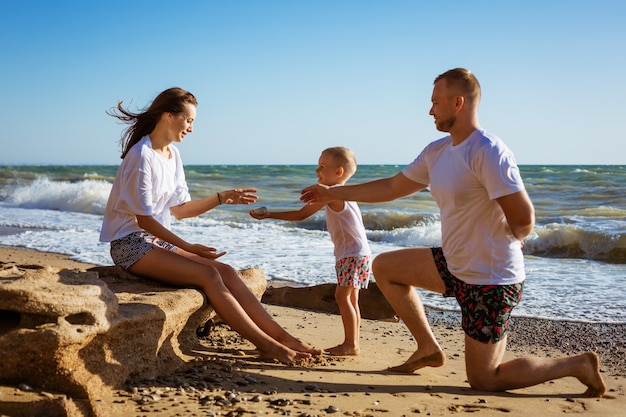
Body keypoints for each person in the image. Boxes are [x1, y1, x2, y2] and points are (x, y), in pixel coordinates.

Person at [300, 68, 606, 396]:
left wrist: (499, 246)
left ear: (458, 103)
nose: (430, 110)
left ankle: (578, 365)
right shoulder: (437, 152)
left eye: (435, 102)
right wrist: (333, 193)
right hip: (454, 265)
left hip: (490, 280)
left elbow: (524, 218)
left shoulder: (488, 151)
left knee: (484, 380)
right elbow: (392, 186)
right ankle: (428, 349)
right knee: (386, 268)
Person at [99, 87, 320, 365]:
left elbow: (179, 210)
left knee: (225, 270)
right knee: (210, 276)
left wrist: (221, 197)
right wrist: (187, 247)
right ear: (169, 116)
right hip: (129, 245)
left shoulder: (172, 155)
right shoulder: (141, 156)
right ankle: (267, 346)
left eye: (193, 122)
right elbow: (144, 220)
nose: (191, 128)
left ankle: (284, 338)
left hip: (154, 243)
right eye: (188, 120)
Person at [250, 147, 372, 356]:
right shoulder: (345, 193)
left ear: (339, 172)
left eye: (322, 167)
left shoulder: (331, 194)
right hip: (360, 253)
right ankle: (353, 342)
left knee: (343, 297)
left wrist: (269, 214)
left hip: (351, 254)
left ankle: (351, 345)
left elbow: (300, 214)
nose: (317, 171)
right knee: (352, 299)